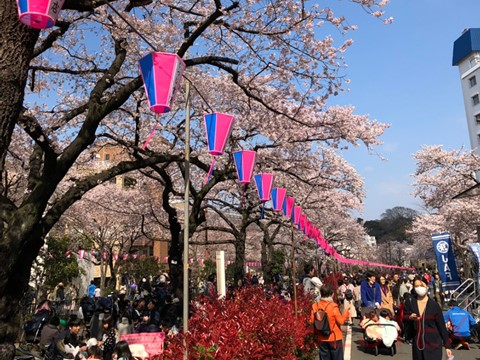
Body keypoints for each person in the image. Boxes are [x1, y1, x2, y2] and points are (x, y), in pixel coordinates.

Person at [408, 276, 452, 360]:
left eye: (421, 285)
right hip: (418, 344)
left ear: (427, 286)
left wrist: (447, 346)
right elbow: (404, 318)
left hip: (433, 344)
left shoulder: (434, 305)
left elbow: (441, 326)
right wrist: (409, 318)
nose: (419, 288)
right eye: (416, 286)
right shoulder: (410, 303)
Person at [310, 283, 350, 360]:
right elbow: (341, 321)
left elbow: (311, 321)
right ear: (331, 294)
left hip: (321, 338)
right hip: (334, 338)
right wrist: (346, 311)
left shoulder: (315, 306)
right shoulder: (333, 306)